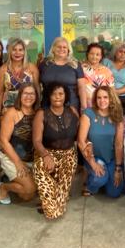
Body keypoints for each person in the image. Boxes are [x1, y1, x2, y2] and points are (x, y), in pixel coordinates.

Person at [33, 83, 80, 220]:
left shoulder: (72, 110)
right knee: (53, 211)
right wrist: (46, 155)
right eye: (54, 94)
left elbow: (79, 133)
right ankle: (52, 197)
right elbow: (36, 141)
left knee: (58, 207)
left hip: (68, 155)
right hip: (46, 153)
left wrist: (87, 144)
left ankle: (55, 197)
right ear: (49, 96)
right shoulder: (42, 114)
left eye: (61, 94)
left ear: (65, 96)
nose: (57, 97)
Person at [78, 86, 125, 199]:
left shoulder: (117, 117)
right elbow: (81, 142)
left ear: (111, 99)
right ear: (95, 99)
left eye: (105, 97)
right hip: (93, 157)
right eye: (99, 97)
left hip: (111, 159)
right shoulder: (88, 113)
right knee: (98, 179)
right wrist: (93, 163)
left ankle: (106, 177)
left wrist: (118, 169)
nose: (102, 100)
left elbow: (119, 144)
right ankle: (91, 184)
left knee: (114, 193)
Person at [0, 82, 39, 205]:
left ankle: (11, 178)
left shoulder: (38, 113)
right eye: (25, 93)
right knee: (29, 190)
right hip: (12, 158)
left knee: (29, 194)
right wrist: (18, 163)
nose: (28, 96)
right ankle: (4, 187)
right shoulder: (12, 113)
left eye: (32, 94)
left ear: (36, 96)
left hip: (32, 159)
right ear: (20, 95)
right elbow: (3, 141)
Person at [39, 37, 86, 111]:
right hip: (47, 105)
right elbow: (37, 85)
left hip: (71, 106)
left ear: (68, 50)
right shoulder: (45, 64)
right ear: (53, 49)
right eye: (59, 47)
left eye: (64, 47)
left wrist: (84, 107)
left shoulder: (76, 64)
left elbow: (82, 88)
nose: (62, 49)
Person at [0, 37, 39, 113]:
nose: (17, 53)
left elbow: (37, 89)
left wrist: (37, 107)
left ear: (24, 52)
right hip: (8, 110)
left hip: (28, 109)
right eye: (14, 50)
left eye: (20, 50)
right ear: (10, 51)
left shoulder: (32, 68)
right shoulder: (3, 69)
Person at [80, 41, 114, 110]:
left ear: (101, 56)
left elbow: (111, 90)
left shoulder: (107, 71)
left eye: (97, 54)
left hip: (103, 106)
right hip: (86, 106)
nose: (94, 56)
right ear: (87, 54)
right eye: (92, 53)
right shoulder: (80, 69)